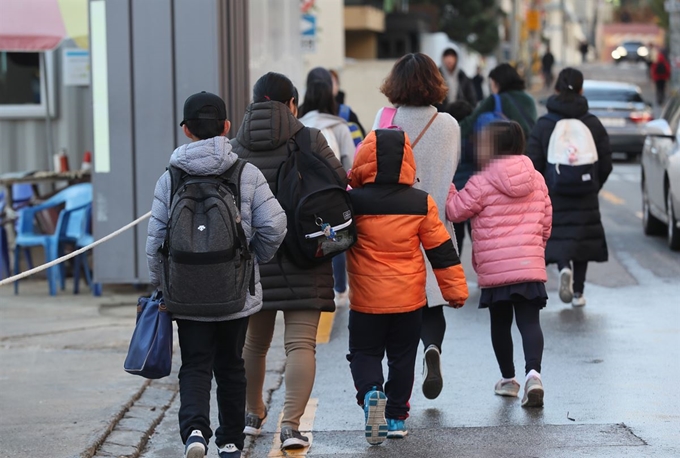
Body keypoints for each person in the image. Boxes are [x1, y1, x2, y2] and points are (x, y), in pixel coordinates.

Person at [146, 91, 287, 458]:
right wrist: (252, 260)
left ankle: (194, 431)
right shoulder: (245, 172)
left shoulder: (171, 178)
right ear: (227, 127)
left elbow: (155, 240)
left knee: (194, 364)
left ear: (186, 130)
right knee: (231, 365)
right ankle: (229, 441)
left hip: (187, 293)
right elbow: (274, 226)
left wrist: (163, 284)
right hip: (233, 291)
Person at [231, 72, 346, 450]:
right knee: (300, 345)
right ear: (292, 104)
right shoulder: (311, 139)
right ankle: (292, 426)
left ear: (254, 101)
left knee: (254, 345)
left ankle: (252, 413)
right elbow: (339, 183)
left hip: (254, 261)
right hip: (306, 255)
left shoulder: (235, 148)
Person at [347, 128, 469, 444]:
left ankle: (372, 391)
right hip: (408, 300)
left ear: (364, 160)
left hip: (366, 300)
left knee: (364, 353)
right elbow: (441, 250)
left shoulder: (352, 202)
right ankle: (397, 416)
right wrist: (454, 291)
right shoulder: (420, 202)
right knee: (402, 357)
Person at [372, 52, 461, 400]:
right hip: (434, 224)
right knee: (432, 301)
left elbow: (373, 165)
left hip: (392, 223)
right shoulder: (450, 125)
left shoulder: (384, 117)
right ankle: (432, 347)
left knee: (398, 303)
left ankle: (394, 389)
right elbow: (450, 171)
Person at [446, 120, 552, 408]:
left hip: (495, 269)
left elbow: (455, 212)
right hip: (529, 265)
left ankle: (508, 380)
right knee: (529, 322)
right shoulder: (537, 178)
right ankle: (534, 375)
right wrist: (535, 249)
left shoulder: (481, 180)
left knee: (501, 323)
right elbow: (546, 221)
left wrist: (449, 188)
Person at [526, 68, 612, 308]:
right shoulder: (592, 123)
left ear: (556, 89)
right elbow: (606, 160)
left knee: (559, 235)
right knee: (582, 239)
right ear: (582, 89)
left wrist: (544, 189)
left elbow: (533, 161)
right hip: (585, 190)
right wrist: (595, 184)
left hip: (555, 192)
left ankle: (564, 268)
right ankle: (578, 293)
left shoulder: (544, 124)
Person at [298, 67, 355, 304]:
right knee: (335, 236)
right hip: (333, 194)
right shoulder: (340, 125)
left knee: (309, 237)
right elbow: (350, 164)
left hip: (303, 197)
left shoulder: (298, 125)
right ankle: (339, 288)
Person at [459, 63, 537, 143]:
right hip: (529, 149)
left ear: (498, 83)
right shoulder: (529, 99)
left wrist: (454, 132)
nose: (491, 88)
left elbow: (471, 122)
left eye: (491, 84)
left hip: (508, 150)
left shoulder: (495, 99)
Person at [445, 100, 475, 254]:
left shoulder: (446, 140)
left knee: (456, 239)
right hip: (472, 194)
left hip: (453, 196)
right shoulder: (474, 139)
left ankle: (456, 269)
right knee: (476, 237)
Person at [329, 68, 366, 137]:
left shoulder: (346, 112)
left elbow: (361, 136)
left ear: (338, 86)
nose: (329, 85)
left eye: (333, 82)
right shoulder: (310, 110)